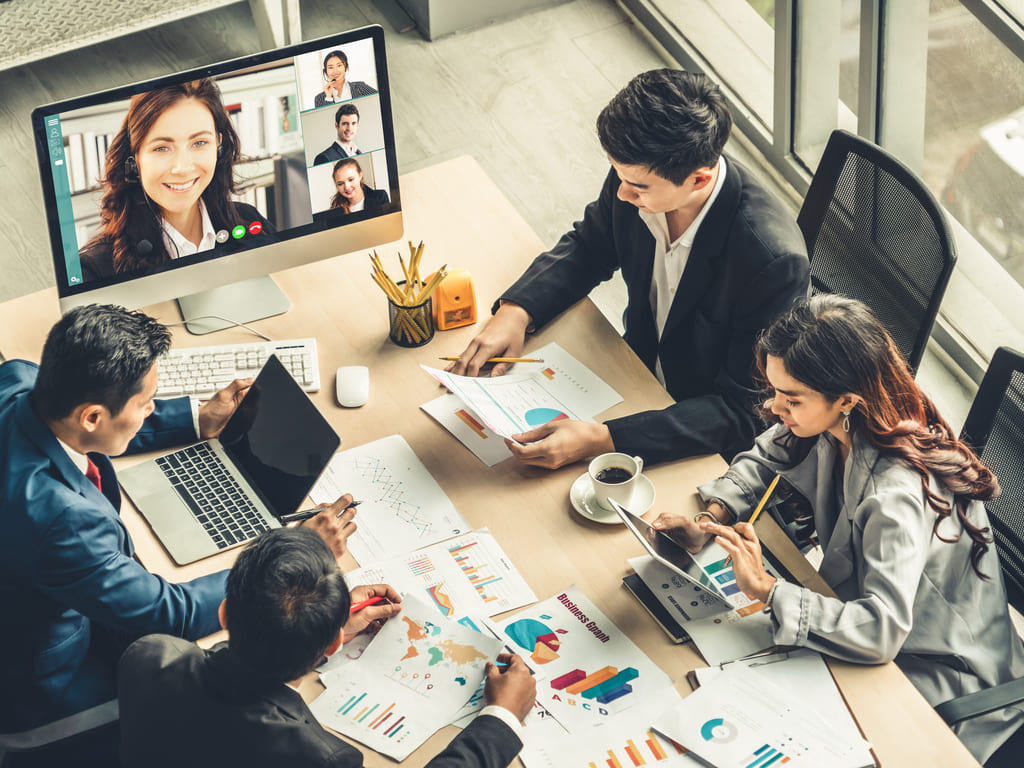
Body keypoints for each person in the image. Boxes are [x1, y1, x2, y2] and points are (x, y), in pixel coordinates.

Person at [653, 294, 1024, 766]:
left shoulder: (895, 497)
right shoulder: (838, 420)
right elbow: (766, 459)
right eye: (774, 390)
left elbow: (882, 630)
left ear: (845, 399)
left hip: (938, 671)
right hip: (859, 622)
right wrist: (711, 520)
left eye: (791, 399)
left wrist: (768, 591)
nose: (774, 407)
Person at [0, 304, 358, 735]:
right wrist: (302, 556)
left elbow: (85, 430)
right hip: (48, 680)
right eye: (146, 403)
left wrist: (197, 418)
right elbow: (172, 614)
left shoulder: (18, 380)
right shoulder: (64, 523)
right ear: (93, 416)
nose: (151, 409)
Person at [449, 69, 809, 469]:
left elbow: (744, 411)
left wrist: (606, 440)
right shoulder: (639, 173)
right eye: (618, 175)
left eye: (636, 187)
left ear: (699, 179)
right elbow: (591, 245)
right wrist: (518, 312)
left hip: (693, 431)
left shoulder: (772, 262)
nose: (622, 193)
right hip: (632, 372)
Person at [118, 527, 536, 768]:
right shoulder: (320, 759)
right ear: (338, 640)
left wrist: (308, 633)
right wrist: (501, 720)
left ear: (225, 613)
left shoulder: (150, 655)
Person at [78, 78, 274, 282]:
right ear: (135, 158)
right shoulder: (94, 270)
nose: (182, 168)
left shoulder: (250, 222)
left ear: (219, 145)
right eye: (161, 148)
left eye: (199, 143)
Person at [314, 49, 378, 108]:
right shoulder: (319, 99)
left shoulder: (360, 87)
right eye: (331, 67)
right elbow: (323, 119)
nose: (335, 71)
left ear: (346, 67)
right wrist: (328, 97)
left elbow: (380, 100)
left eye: (339, 65)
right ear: (326, 71)